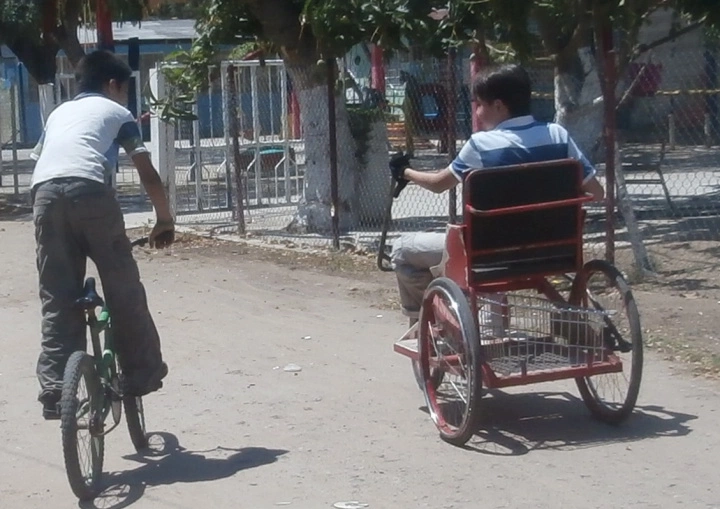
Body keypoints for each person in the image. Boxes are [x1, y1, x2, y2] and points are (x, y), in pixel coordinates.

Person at [388, 64, 605, 320]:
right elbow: (596, 192)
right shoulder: (558, 135)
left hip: (488, 253)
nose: (477, 112)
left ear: (499, 106)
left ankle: (428, 321)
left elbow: (438, 184)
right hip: (556, 251)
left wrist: (405, 172)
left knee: (402, 250)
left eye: (479, 104)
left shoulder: (481, 145)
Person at [30, 50, 174, 420]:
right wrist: (164, 220)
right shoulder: (117, 113)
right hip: (90, 193)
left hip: (44, 196)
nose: (125, 97)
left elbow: (47, 160)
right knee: (123, 288)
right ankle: (141, 374)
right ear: (113, 85)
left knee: (58, 298)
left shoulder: (57, 114)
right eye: (124, 90)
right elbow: (146, 171)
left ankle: (55, 389)